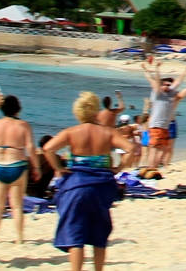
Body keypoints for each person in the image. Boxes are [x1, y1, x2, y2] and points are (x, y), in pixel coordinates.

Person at [43, 91, 135, 271]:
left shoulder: (71, 132)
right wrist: (118, 168)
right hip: (101, 186)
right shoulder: (107, 132)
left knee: (75, 235)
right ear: (95, 111)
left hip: (76, 185)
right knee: (99, 234)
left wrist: (59, 169)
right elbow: (131, 149)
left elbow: (48, 149)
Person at [0, 93, 39, 244]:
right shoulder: (23, 125)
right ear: (18, 108)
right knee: (16, 205)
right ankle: (20, 238)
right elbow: (30, 147)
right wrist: (37, 167)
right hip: (17, 164)